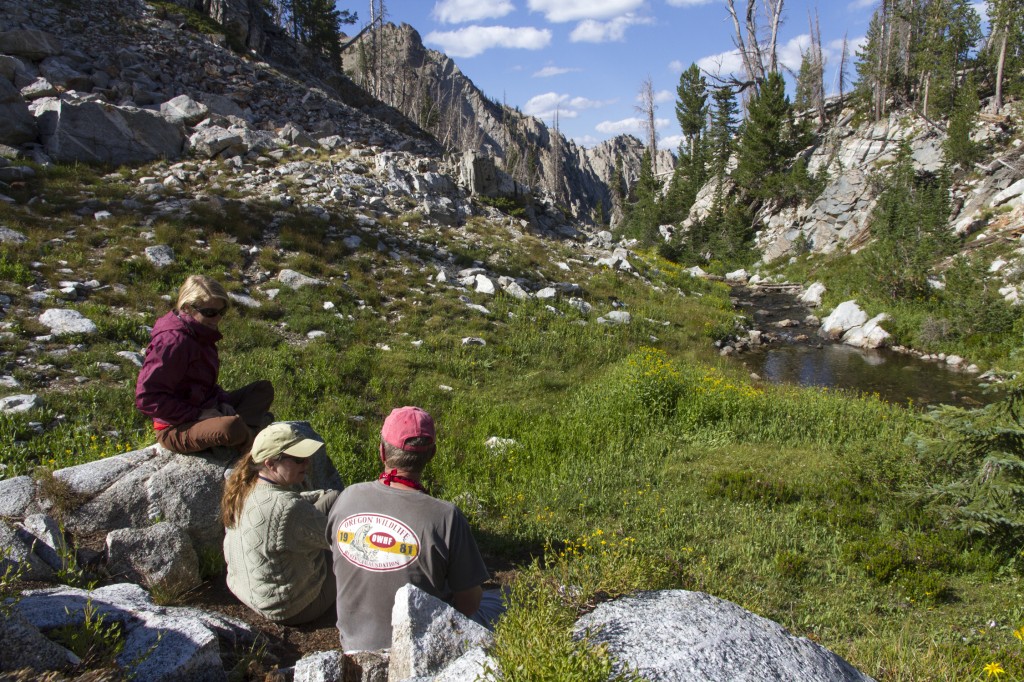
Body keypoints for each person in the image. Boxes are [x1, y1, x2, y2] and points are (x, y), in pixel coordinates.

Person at [327, 406, 502, 652]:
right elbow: (470, 604)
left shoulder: (347, 497)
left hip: (354, 646)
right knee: (503, 600)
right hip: (418, 651)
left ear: (382, 452)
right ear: (432, 454)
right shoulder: (446, 516)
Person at [135, 274, 273, 455]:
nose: (217, 318)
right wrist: (198, 414)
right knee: (231, 427)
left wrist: (221, 401)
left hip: (205, 408)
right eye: (209, 312)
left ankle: (241, 433)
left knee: (262, 389)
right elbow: (147, 398)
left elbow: (201, 385)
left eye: (221, 312)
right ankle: (253, 441)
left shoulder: (201, 333)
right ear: (187, 307)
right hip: (176, 426)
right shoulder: (173, 342)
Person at [222, 422, 341, 624]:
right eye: (298, 459)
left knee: (332, 497)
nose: (307, 463)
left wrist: (323, 495)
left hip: (246, 591)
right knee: (349, 558)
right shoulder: (290, 509)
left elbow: (281, 508)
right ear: (270, 463)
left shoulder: (243, 487)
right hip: (291, 608)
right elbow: (342, 543)